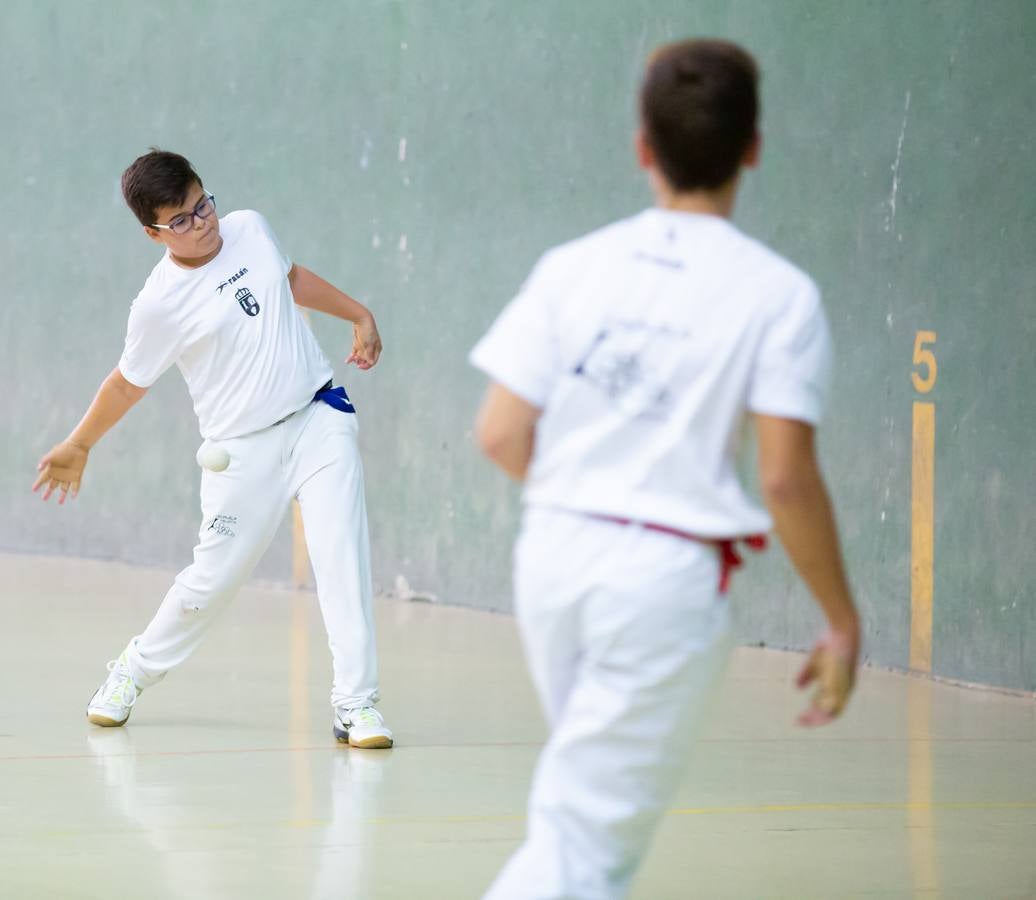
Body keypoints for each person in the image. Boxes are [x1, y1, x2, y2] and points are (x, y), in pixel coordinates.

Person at [470, 39, 860, 898]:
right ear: (753, 147)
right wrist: (839, 621)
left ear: (642, 147)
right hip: (660, 583)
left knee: (577, 818)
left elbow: (499, 433)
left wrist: (584, 499)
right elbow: (787, 478)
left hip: (552, 558)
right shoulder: (779, 294)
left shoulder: (571, 267)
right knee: (582, 852)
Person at [33, 150, 392, 749]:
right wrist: (80, 443)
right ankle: (132, 671)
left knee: (342, 561)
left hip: (317, 420)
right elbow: (127, 382)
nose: (203, 223)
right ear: (153, 233)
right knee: (210, 584)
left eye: (204, 205)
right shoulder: (158, 306)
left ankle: (357, 705)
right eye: (182, 220)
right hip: (240, 455)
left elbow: (289, 277)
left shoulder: (250, 228)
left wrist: (358, 313)